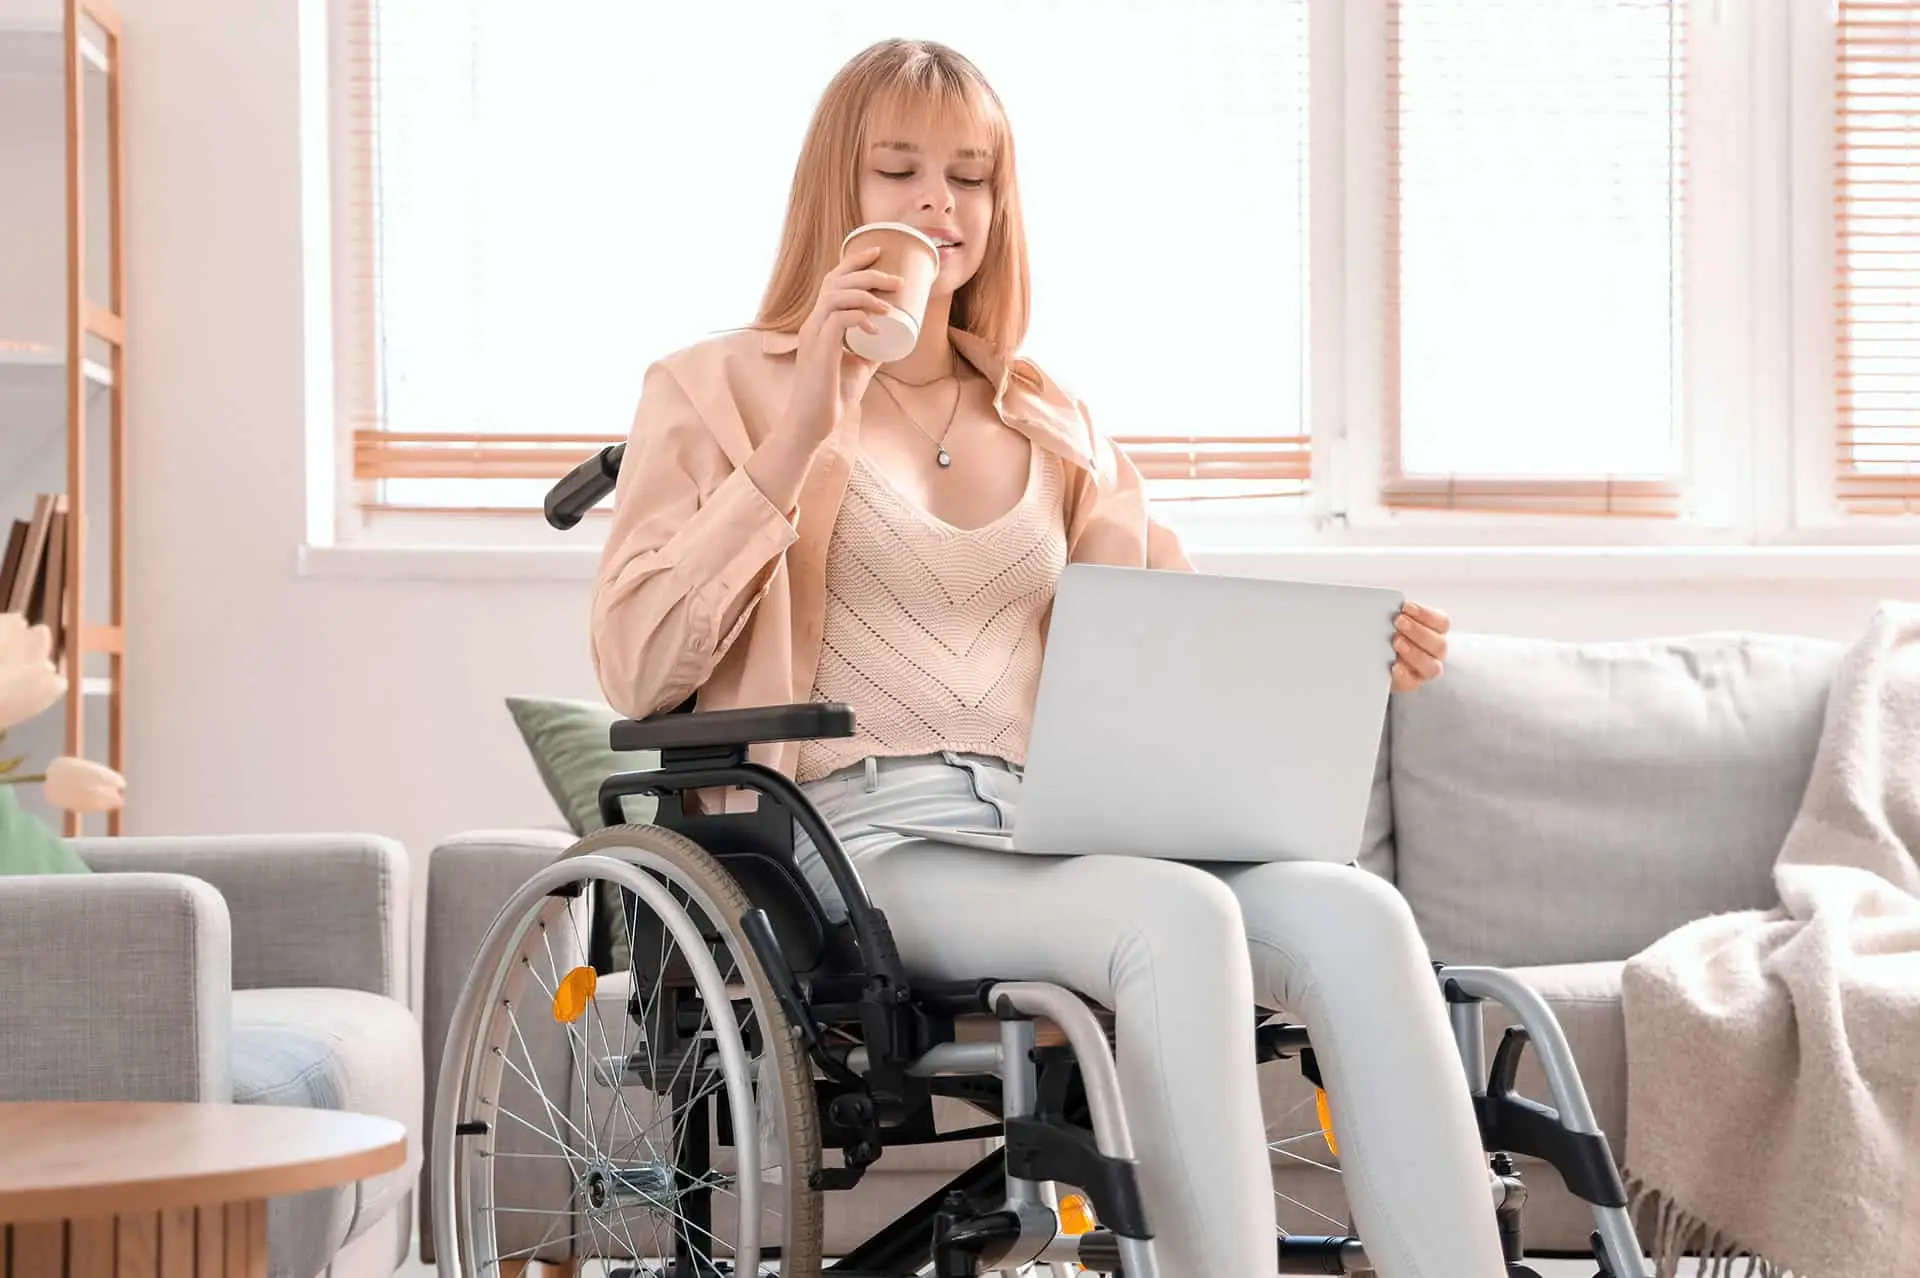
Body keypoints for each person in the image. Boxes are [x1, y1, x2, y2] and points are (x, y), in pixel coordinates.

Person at [590, 37, 1505, 1278]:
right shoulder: (716, 386)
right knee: (1170, 916)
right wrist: (809, 413)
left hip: (1058, 830)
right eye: (898, 170)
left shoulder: (1048, 414)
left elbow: (1176, 636)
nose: (937, 205)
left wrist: (1353, 655)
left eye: (969, 178)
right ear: (832, 192)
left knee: (1359, 917)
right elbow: (639, 661)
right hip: (856, 848)